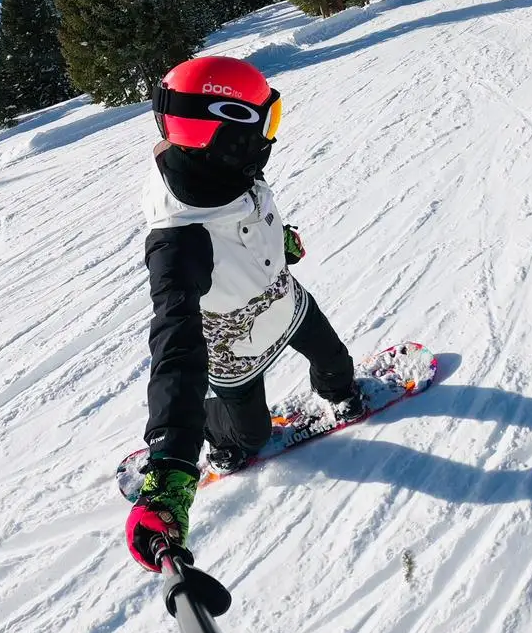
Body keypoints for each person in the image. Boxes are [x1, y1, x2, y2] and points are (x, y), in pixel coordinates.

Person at [125, 56, 368, 571]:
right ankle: (221, 436)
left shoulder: (218, 167)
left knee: (335, 362)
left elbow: (246, 217)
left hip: (284, 299)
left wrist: (277, 241)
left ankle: (338, 392)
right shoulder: (177, 239)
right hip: (234, 342)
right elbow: (176, 343)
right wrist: (171, 459)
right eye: (265, 123)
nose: (270, 138)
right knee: (250, 437)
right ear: (225, 132)